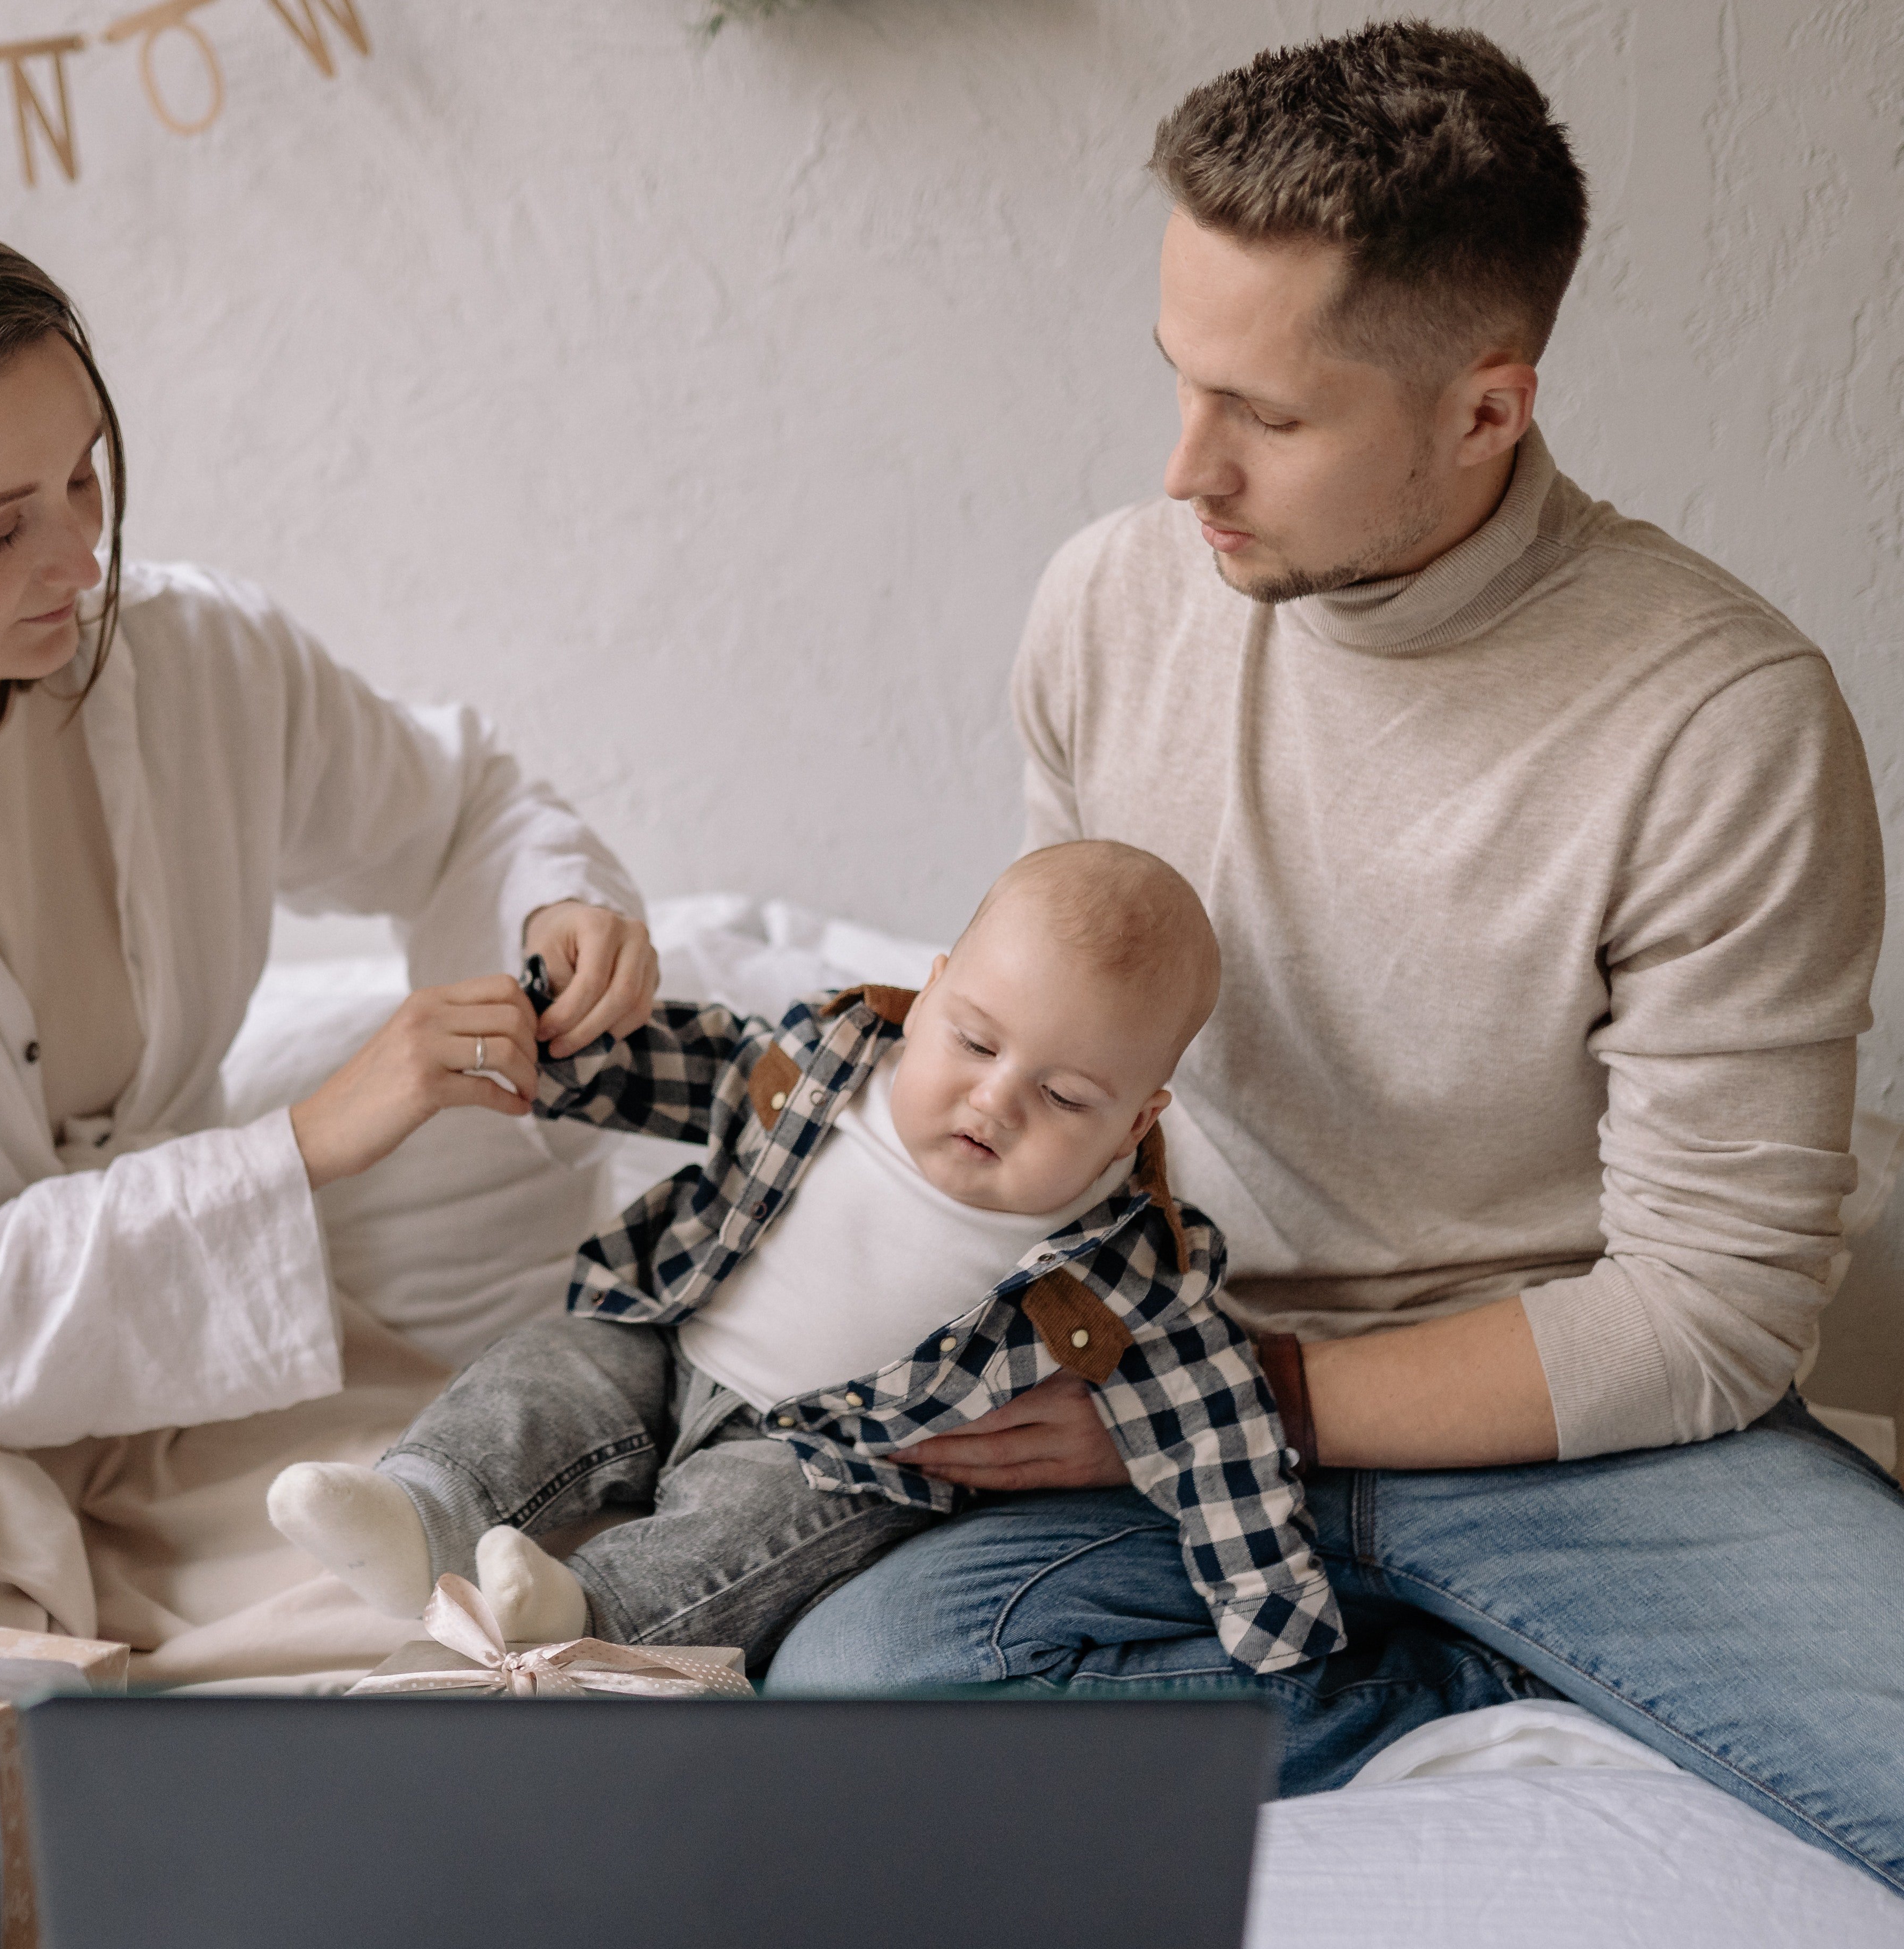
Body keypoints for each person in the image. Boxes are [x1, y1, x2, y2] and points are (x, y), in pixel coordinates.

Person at [767, 20, 1904, 1896]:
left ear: (1487, 407)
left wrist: (1235, 1385)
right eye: (1180, 380)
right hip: (1189, 1416)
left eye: (1272, 419)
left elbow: (1706, 1314)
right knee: (860, 1691)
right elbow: (1077, 1064)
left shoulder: (1722, 721)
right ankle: (1450, 1676)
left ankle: (1553, 1643)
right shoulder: (1113, 602)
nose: (1187, 471)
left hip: (1591, 1431)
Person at [0, 191, 660, 1671]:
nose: (78, 562)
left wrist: (558, 905)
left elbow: (461, 805)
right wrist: (309, 1140)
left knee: (500, 1601)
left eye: (83, 482)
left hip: (156, 1330)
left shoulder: (191, 658)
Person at [272, 842, 1345, 1675]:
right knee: (547, 1367)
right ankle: (419, 1509)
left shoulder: (1125, 1265)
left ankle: (576, 1618)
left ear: (1134, 1120)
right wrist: (536, 1040)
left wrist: (1275, 1621)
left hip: (832, 1453)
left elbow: (1215, 1434)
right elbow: (665, 1068)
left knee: (741, 1542)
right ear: (927, 996)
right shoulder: (822, 1066)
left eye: (1065, 1098)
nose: (995, 1100)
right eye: (973, 1042)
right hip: (667, 1336)